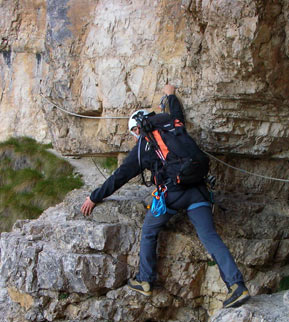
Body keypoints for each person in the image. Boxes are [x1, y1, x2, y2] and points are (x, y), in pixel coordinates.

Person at [81, 84, 250, 309]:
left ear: (137, 129)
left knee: (149, 231)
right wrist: (170, 95)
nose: (134, 138)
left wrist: (94, 197)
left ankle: (145, 279)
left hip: (173, 194)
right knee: (210, 237)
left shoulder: (144, 145)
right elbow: (178, 114)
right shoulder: (172, 125)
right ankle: (237, 286)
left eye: (133, 133)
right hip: (198, 189)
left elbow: (119, 177)